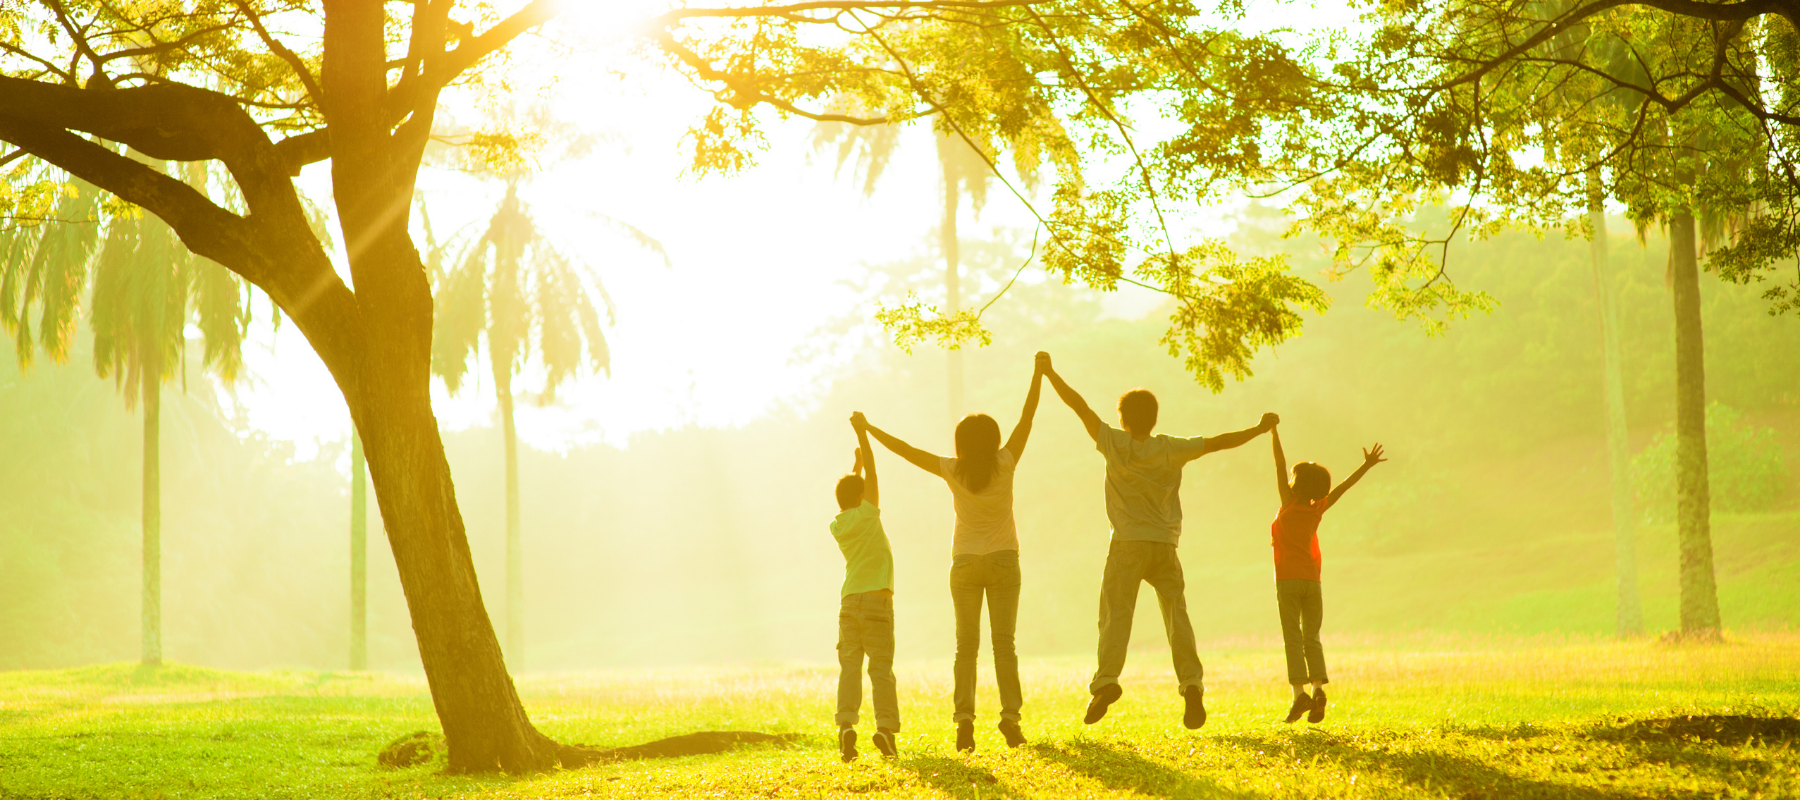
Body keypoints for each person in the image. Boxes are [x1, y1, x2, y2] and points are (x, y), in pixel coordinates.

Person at [1038, 351, 1276, 730]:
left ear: (1122, 419)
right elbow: (1218, 442)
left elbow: (1078, 406)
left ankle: (1106, 682)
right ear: (1154, 418)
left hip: (1127, 545)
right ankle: (1192, 684)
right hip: (1164, 545)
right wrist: (1259, 429)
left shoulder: (1112, 443)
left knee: (1116, 615)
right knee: (1176, 616)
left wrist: (1050, 372)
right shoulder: (1170, 448)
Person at [854, 356, 1044, 752]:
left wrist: (868, 430)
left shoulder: (952, 469)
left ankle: (964, 723)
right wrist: (1038, 374)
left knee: (966, 646)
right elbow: (1027, 418)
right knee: (1004, 643)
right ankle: (1010, 719)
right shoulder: (1006, 462)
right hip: (1005, 560)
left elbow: (906, 450)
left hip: (964, 565)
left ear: (961, 443)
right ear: (993, 441)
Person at [1269, 425, 1385, 724]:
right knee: (1312, 637)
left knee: (1292, 637)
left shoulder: (1288, 504)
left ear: (1296, 484)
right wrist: (1366, 465)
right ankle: (1319, 687)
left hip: (1287, 580)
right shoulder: (1318, 508)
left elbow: (1280, 465)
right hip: (1312, 580)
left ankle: (1299, 695)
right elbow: (1344, 486)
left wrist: (1273, 433)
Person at [830, 416, 899, 761]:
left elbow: (851, 491)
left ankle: (846, 727)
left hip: (848, 603)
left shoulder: (839, 524)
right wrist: (863, 434)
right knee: (881, 670)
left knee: (850, 668)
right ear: (863, 497)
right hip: (876, 602)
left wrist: (853, 466)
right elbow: (872, 473)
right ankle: (885, 730)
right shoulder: (870, 515)